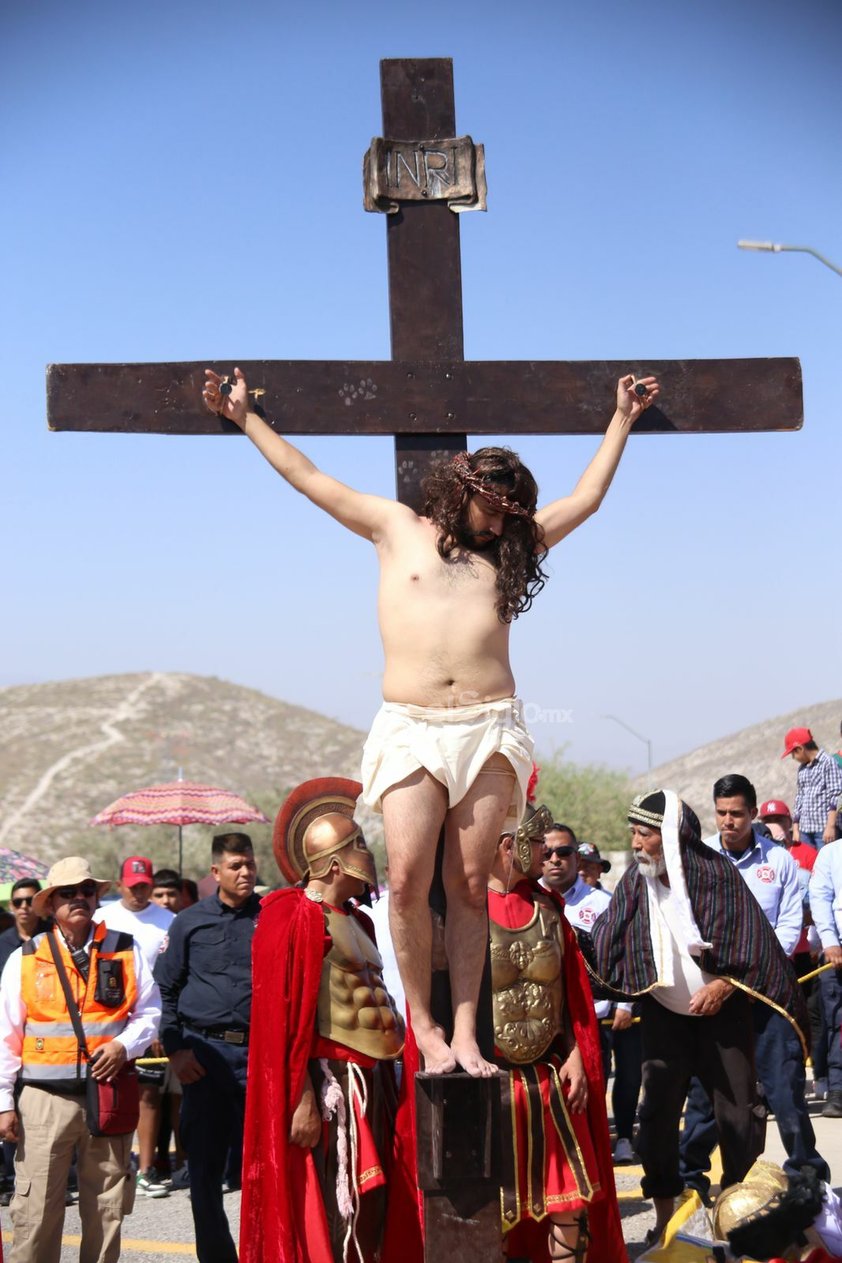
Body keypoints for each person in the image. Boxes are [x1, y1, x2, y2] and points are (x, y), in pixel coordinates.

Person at [203, 365, 660, 1076]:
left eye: (514, 508)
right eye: (495, 504)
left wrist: (622, 419)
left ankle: (468, 1030)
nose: (504, 517)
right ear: (464, 489)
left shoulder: (513, 549)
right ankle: (424, 1024)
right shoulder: (395, 528)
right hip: (412, 723)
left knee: (473, 884)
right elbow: (310, 479)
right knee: (409, 876)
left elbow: (589, 499)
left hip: (489, 724)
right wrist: (246, 418)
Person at [582, 790, 809, 1246]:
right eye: (634, 833)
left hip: (722, 1017)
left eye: (643, 833)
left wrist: (723, 985)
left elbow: (755, 945)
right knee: (658, 1117)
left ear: (670, 836)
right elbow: (607, 940)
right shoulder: (634, 882)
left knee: (740, 1116)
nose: (635, 842)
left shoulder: (718, 875)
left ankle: (737, 1213)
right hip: (664, 1017)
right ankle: (666, 1218)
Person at [240, 777, 416, 1263]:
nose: (368, 852)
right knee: (338, 1206)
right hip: (331, 1086)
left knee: (372, 1210)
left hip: (375, 1081)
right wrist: (299, 1100)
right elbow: (282, 1023)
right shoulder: (292, 915)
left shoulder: (357, 921)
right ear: (335, 861)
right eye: (358, 843)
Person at [0, 856, 161, 1263]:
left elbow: (150, 1013)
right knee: (36, 1212)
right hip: (43, 1101)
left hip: (107, 1096)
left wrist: (125, 1044)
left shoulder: (126, 950)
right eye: (67, 893)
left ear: (96, 897)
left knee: (106, 1209)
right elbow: (5, 1037)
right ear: (50, 903)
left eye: (87, 891)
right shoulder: (25, 958)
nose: (79, 898)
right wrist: (3, 1103)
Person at [678, 774, 828, 1199]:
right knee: (709, 1093)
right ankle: (689, 1179)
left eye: (737, 814)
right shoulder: (700, 859)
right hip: (714, 997)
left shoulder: (779, 862)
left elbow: (786, 929)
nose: (729, 821)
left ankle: (807, 1178)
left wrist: (746, 975)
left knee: (785, 1089)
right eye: (722, 813)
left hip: (768, 996)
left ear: (754, 812)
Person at [488, 805, 626, 1261]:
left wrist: (575, 1057)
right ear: (508, 847)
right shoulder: (463, 910)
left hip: (550, 1078)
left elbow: (570, 999)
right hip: (493, 1084)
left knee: (570, 1205)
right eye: (534, 846)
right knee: (491, 1211)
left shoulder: (549, 908)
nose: (543, 855)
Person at [155, 833, 260, 1263]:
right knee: (204, 1171)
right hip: (204, 1059)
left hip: (259, 1058)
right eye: (236, 865)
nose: (246, 872)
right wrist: (176, 1051)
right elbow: (166, 989)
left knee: (266, 1166)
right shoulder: (189, 922)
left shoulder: (270, 917)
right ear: (215, 872)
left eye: (250, 864)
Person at [542, 827, 640, 1167]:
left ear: (576, 858)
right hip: (543, 1025)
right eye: (547, 853)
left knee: (592, 1095)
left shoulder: (602, 905)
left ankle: (605, 1151)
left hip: (592, 1021)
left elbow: (625, 957)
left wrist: (625, 1004)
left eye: (564, 853)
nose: (554, 860)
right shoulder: (528, 903)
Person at [95, 855, 175, 1198]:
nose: (139, 892)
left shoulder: (170, 920)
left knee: (149, 1096)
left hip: (148, 1018)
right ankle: (108, 1167)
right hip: (107, 1022)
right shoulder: (103, 917)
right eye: (132, 886)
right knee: (105, 1095)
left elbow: (170, 978)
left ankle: (144, 1169)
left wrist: (160, 1025)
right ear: (119, 885)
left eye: (145, 886)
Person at [808, 841, 842, 1118]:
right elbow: (819, 898)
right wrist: (830, 943)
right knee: (838, 1024)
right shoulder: (831, 853)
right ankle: (838, 1091)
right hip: (838, 953)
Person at [782, 726, 842, 848]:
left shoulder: (828, 762)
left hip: (824, 829)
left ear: (800, 749)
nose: (793, 758)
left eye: (793, 753)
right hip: (806, 830)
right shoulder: (802, 769)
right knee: (808, 865)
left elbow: (835, 796)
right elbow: (800, 797)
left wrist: (830, 826)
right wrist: (796, 827)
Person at [0, 880, 50, 976]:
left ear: (39, 903)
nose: (24, 906)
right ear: (11, 906)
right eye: (17, 902)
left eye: (29, 901)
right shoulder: (2, 943)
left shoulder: (56, 935)